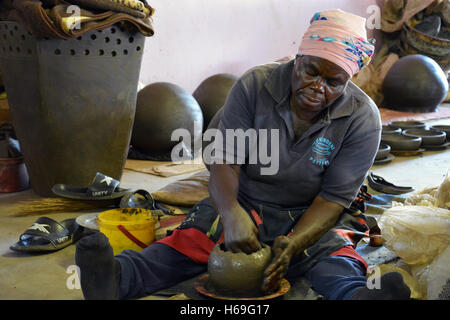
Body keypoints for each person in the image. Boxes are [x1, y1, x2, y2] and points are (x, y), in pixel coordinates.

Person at [75, 9, 411, 300]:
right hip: (247, 199)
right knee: (193, 240)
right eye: (310, 71)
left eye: (333, 82)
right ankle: (116, 278)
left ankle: (357, 294)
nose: (318, 87)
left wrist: (294, 243)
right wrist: (231, 211)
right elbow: (224, 160)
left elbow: (333, 199)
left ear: (348, 80)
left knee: (333, 257)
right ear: (298, 58)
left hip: (311, 212)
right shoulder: (255, 85)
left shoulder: (362, 118)